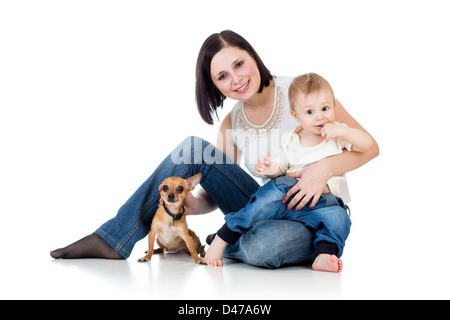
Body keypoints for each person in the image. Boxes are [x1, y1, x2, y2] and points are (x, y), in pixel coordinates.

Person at [50, 30, 379, 268]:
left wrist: (325, 168)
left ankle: (226, 244)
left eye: (239, 64)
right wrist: (194, 203)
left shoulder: (303, 92)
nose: (236, 79)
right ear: (214, 86)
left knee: (264, 248)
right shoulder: (232, 122)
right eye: (222, 76)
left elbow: (370, 146)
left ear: (253, 56)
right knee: (193, 149)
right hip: (267, 206)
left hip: (314, 216)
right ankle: (115, 238)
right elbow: (219, 193)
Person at [205, 73, 375, 272]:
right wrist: (269, 169)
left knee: (340, 219)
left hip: (324, 203)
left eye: (325, 109)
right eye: (310, 112)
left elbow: (368, 145)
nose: (320, 116)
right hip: (287, 196)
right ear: (296, 116)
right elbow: (281, 168)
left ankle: (324, 254)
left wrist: (343, 131)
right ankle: (225, 235)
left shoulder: (338, 136)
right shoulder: (292, 139)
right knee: (263, 201)